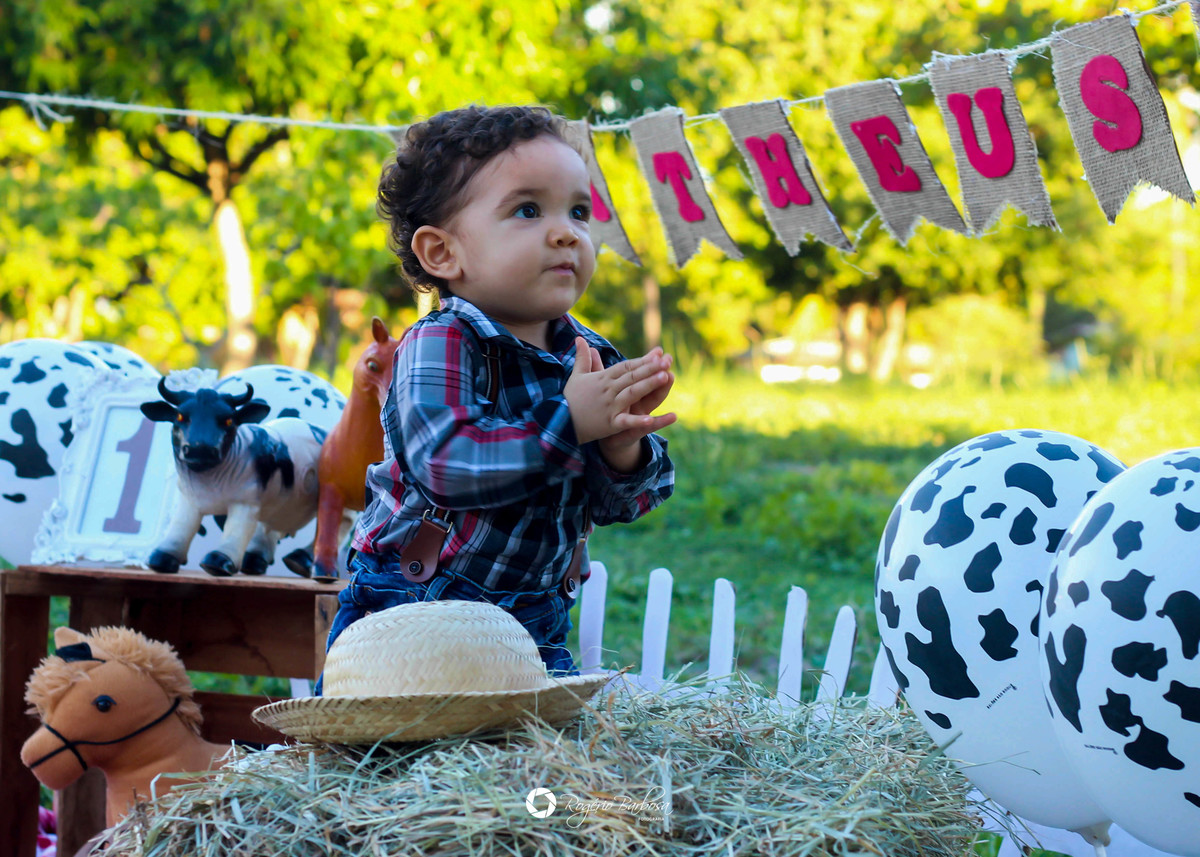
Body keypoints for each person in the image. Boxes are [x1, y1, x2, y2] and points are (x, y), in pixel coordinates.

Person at [319, 105, 676, 681]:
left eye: (579, 212)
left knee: (526, 758)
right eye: (528, 210)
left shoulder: (588, 354)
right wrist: (571, 422)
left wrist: (619, 447)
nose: (567, 232)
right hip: (417, 603)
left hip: (535, 612)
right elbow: (447, 465)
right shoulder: (440, 343)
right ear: (443, 254)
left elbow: (622, 504)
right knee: (394, 752)